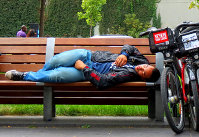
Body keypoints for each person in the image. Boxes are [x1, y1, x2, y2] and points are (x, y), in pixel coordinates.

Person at [5, 45, 160, 89]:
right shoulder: (139, 59)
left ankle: (24, 75)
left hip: (84, 71)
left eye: (143, 73)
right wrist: (125, 53)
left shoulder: (127, 75)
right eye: (144, 67)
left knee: (55, 76)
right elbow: (130, 46)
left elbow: (102, 82)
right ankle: (38, 74)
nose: (141, 68)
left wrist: (84, 68)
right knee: (55, 61)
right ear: (147, 64)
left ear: (142, 77)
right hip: (88, 55)